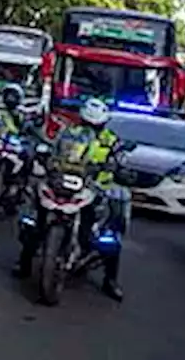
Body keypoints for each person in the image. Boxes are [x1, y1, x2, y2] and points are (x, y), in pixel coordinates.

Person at [14, 97, 126, 301]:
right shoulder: (68, 133)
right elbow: (53, 148)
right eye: (87, 123)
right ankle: (24, 261)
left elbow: (120, 159)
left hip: (95, 186)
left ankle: (110, 280)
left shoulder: (111, 140)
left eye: (96, 125)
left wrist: (116, 164)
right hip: (62, 179)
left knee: (111, 232)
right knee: (33, 217)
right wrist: (44, 154)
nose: (90, 128)